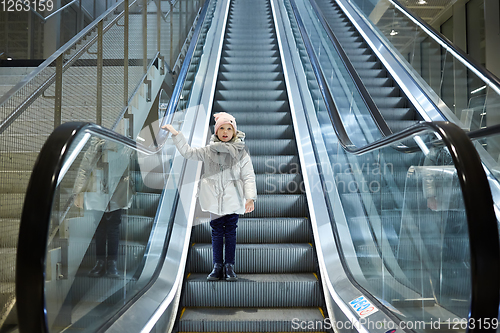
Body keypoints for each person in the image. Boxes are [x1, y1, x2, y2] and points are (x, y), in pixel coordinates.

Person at [162, 112, 257, 281]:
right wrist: (177, 135)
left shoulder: (241, 153)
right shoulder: (208, 150)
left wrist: (250, 198)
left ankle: (229, 266)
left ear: (234, 132)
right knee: (216, 232)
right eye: (222, 128)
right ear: (216, 131)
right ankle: (217, 266)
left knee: (230, 233)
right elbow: (189, 153)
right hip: (214, 199)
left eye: (229, 128)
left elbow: (248, 176)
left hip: (233, 198)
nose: (225, 132)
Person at [73, 138, 135, 278]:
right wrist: (78, 192)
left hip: (117, 191)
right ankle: (100, 261)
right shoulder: (96, 145)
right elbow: (84, 168)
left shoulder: (124, 145)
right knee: (99, 227)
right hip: (97, 191)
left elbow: (129, 160)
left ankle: (111, 263)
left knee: (113, 227)